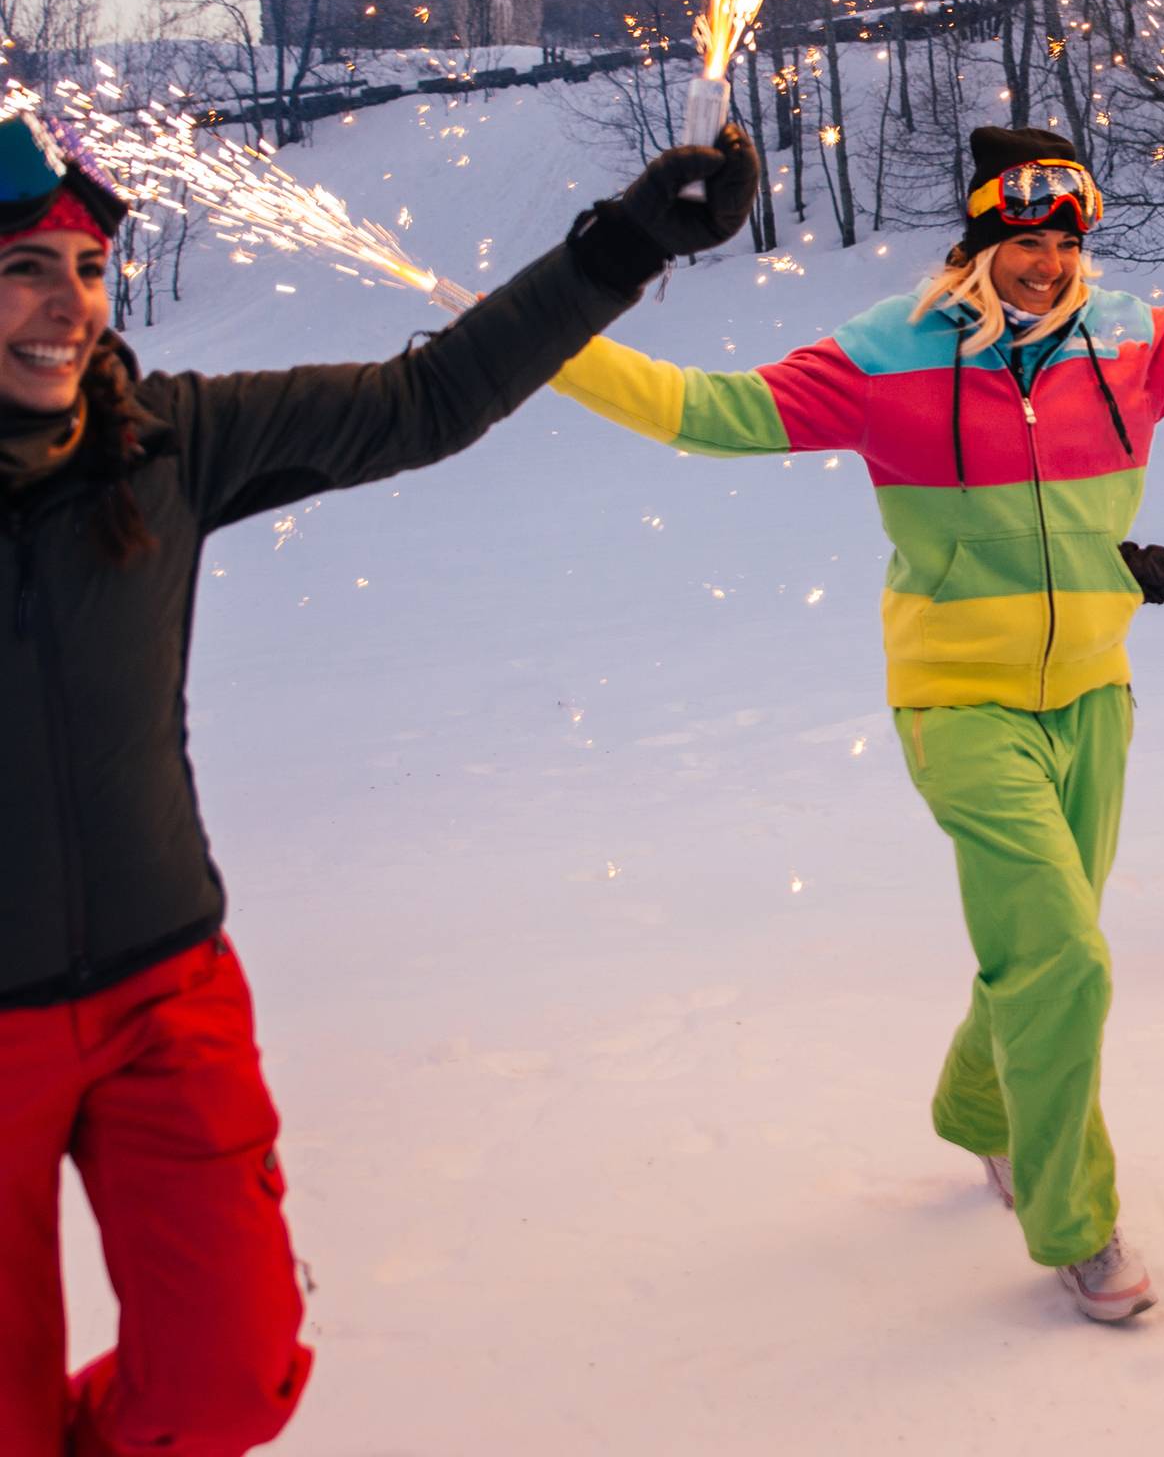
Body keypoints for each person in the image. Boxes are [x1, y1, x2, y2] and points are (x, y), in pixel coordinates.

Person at [549, 111, 1164, 1321]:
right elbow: (709, 409)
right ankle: (1074, 1220)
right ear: (977, 241)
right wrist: (544, 337)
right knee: (1064, 956)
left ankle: (978, 1103)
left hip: (1093, 694)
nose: (1046, 262)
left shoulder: (1131, 341)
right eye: (1022, 239)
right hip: (959, 701)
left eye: (1065, 240)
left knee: (1042, 946)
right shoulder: (890, 351)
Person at [0, 105, 757, 1457]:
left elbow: (426, 400)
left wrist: (624, 248)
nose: (69, 306)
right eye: (23, 270)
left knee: (230, 1377)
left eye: (89, 269)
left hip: (164, 996)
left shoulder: (165, 443)